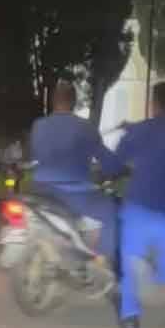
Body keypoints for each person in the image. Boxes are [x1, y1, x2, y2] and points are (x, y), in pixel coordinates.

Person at [111, 82, 165, 328]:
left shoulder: (140, 130)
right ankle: (152, 279)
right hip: (164, 212)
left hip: (134, 207)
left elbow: (115, 162)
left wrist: (127, 136)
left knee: (130, 270)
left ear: (153, 103)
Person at [28, 80, 125, 291]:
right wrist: (118, 169)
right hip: (73, 193)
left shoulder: (38, 126)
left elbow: (35, 155)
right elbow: (108, 162)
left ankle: (73, 259)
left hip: (40, 189)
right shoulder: (85, 128)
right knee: (112, 212)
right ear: (73, 102)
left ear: (53, 101)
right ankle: (101, 262)